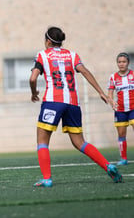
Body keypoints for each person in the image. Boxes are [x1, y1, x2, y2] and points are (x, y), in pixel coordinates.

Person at [29, 26, 123, 187]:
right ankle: (108, 166)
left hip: (53, 101)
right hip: (73, 103)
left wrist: (33, 92)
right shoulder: (72, 55)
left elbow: (32, 78)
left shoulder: (42, 55)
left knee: (42, 140)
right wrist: (101, 92)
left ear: (48, 41)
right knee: (80, 142)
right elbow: (85, 72)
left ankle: (47, 178)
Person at [107, 52, 134, 166]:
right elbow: (110, 93)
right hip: (120, 110)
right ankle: (123, 159)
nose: (121, 64)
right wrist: (112, 101)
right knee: (121, 134)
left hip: (133, 108)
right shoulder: (113, 77)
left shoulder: (133, 74)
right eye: (119, 62)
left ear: (128, 63)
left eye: (124, 62)